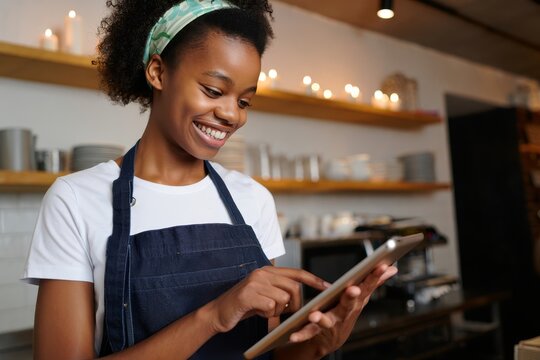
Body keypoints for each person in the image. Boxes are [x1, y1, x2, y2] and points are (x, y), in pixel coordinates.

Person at [23, 0, 397, 359]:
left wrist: (322, 341)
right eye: (214, 91)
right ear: (158, 72)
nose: (232, 115)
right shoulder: (76, 199)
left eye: (245, 101)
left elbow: (269, 353)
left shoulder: (253, 199)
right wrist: (216, 315)